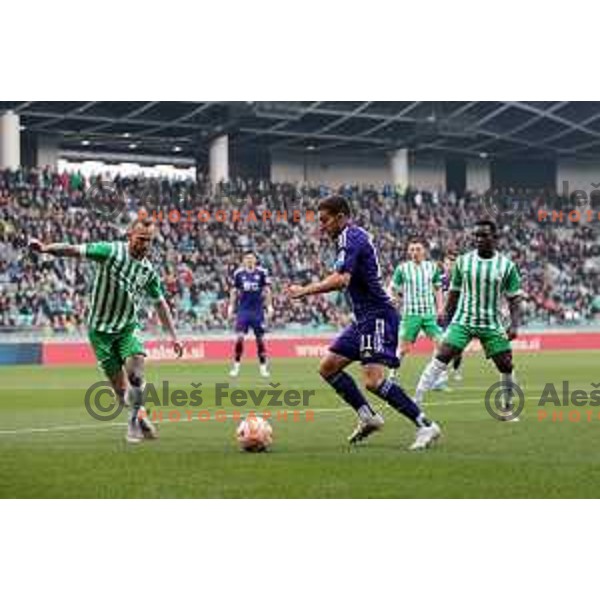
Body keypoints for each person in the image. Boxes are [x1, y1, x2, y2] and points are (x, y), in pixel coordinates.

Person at [286, 196, 441, 451]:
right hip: (364, 319)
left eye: (325, 221)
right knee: (328, 368)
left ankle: (426, 425)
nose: (321, 226)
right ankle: (367, 416)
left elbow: (341, 280)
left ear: (341, 217)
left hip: (378, 316)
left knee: (373, 380)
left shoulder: (350, 237)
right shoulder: (350, 238)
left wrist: (304, 290)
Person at [29, 219, 183, 443]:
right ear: (130, 235)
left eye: (149, 241)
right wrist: (45, 248)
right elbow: (73, 250)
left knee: (136, 372)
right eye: (141, 239)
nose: (145, 245)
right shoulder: (110, 251)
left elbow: (160, 303)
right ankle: (139, 415)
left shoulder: (148, 271)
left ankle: (132, 425)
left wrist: (173, 336)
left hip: (127, 328)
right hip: (99, 331)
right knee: (121, 393)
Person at [415, 221, 522, 419]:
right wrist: (446, 313)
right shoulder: (464, 262)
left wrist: (514, 324)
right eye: (476, 236)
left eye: (484, 235)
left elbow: (514, 297)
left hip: (491, 322)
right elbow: (454, 291)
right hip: (464, 320)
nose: (479, 239)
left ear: (494, 237)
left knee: (505, 364)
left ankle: (508, 404)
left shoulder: (507, 266)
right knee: (443, 354)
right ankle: (416, 400)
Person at [387, 239, 444, 381]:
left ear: (424, 251)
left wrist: (440, 307)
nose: (414, 253)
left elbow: (438, 289)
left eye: (417, 249)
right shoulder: (403, 269)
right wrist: (392, 297)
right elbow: (392, 287)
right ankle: (392, 375)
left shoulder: (432, 268)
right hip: (411, 314)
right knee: (403, 349)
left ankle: (433, 376)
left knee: (441, 344)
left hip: (429, 313)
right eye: (411, 250)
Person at [228, 251, 274, 378]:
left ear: (255, 260)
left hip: (257, 311)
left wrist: (269, 306)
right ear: (243, 260)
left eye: (251, 258)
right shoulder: (238, 274)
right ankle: (236, 366)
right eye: (247, 258)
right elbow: (234, 291)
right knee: (240, 338)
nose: (249, 260)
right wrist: (231, 307)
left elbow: (267, 290)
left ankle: (263, 367)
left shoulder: (262, 273)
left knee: (260, 340)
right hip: (243, 311)